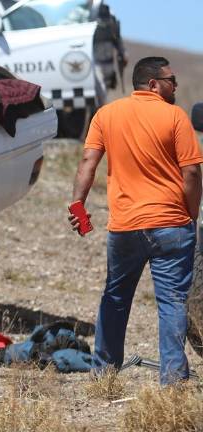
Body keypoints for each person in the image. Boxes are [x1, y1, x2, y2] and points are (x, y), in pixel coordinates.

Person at [69, 56, 203, 385]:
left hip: (126, 226)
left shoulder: (106, 114)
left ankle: (104, 374)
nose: (175, 85)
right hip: (172, 224)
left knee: (114, 298)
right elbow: (192, 173)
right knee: (172, 301)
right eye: (171, 80)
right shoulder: (175, 117)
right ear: (153, 84)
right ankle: (172, 380)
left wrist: (78, 209)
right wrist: (192, 214)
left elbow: (88, 162)